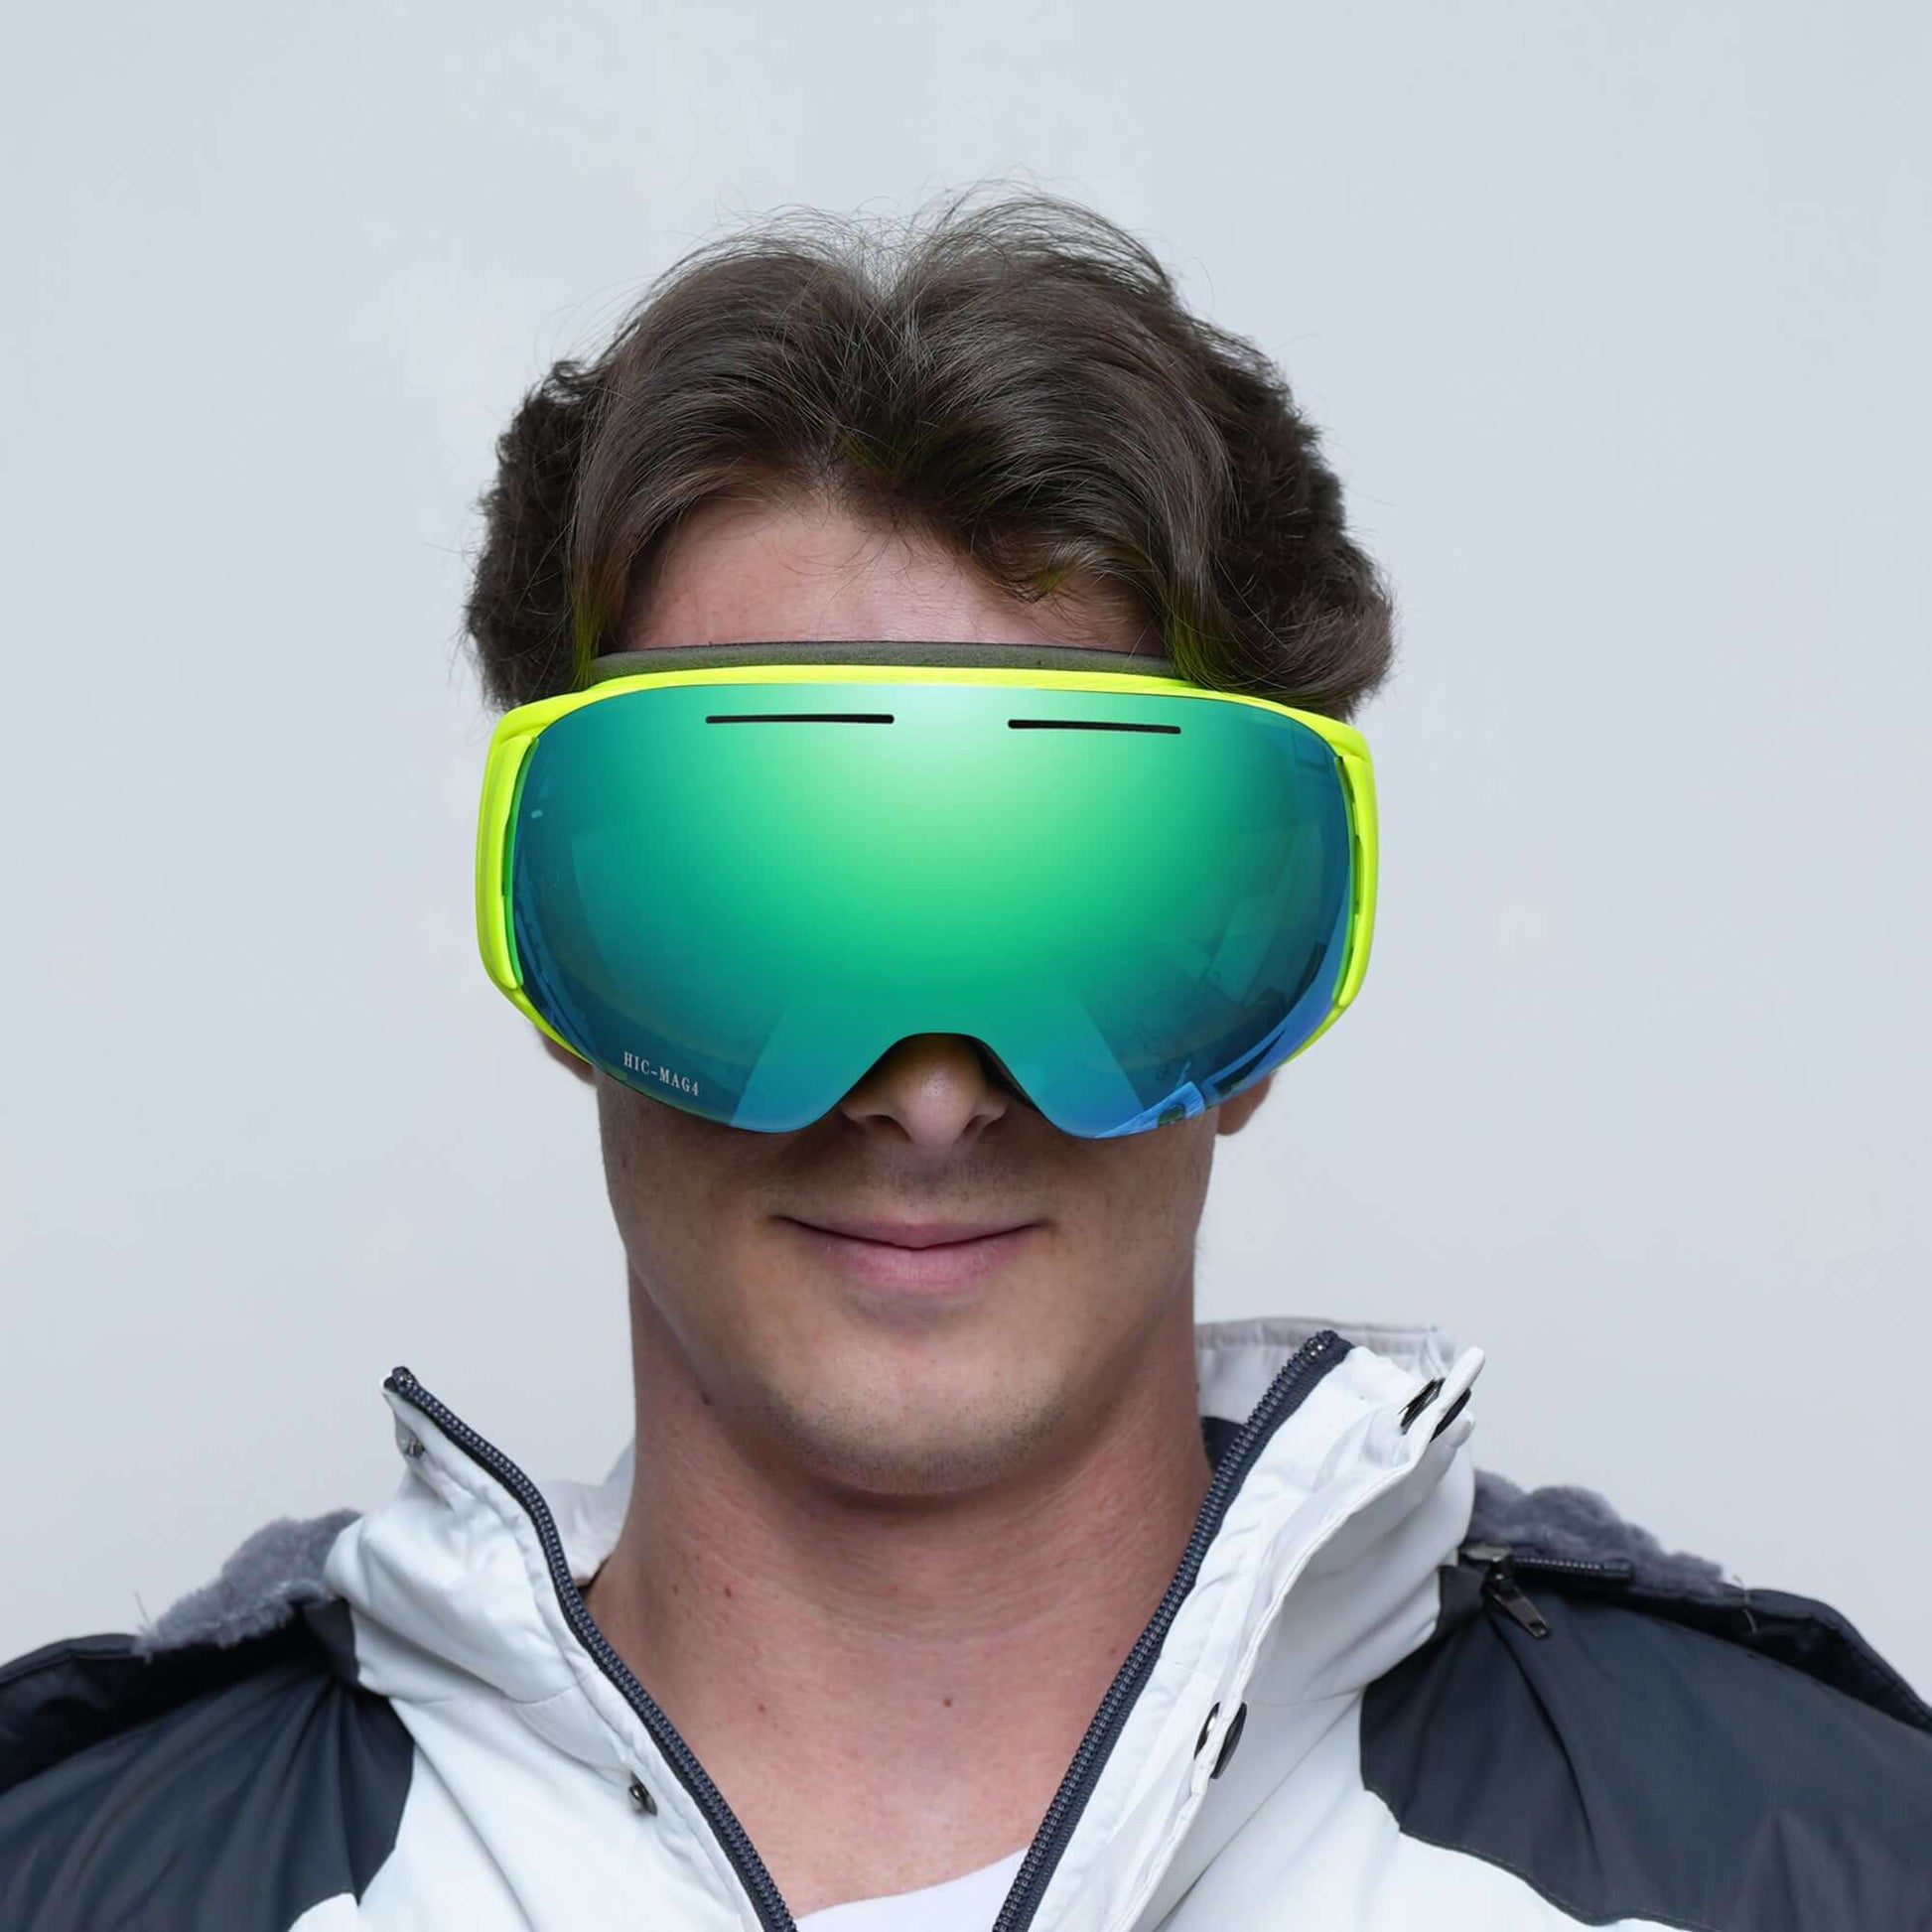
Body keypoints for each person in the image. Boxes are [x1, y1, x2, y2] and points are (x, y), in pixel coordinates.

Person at [3, 193, 1927, 1932]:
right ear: (565, 956)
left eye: (1083, 910)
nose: (926, 1095)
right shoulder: (87, 1881)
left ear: (1258, 994)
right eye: (761, 906)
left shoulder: (1800, 1864)